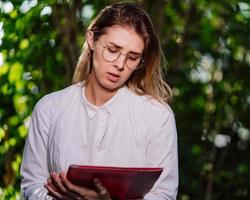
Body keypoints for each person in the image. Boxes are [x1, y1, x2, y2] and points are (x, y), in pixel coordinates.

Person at [20, 2, 178, 200]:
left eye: (133, 57)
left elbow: (164, 195)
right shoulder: (49, 109)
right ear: (92, 39)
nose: (120, 65)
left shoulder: (157, 116)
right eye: (112, 49)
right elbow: (30, 187)